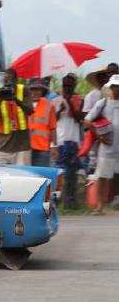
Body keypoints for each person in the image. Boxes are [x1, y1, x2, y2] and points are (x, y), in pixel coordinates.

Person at [83, 74, 119, 214]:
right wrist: (99, 136)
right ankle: (100, 206)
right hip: (107, 146)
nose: (117, 89)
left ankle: (112, 203)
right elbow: (87, 120)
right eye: (114, 87)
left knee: (115, 177)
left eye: (118, 87)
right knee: (103, 177)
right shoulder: (102, 103)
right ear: (110, 88)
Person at [0, 69, 34, 165]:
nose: (8, 82)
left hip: (22, 145)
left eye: (10, 79)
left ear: (16, 79)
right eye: (5, 80)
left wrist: (16, 99)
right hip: (2, 144)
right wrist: (1, 100)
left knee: (22, 176)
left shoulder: (24, 90)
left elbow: (30, 111)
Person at [53, 73, 83, 208]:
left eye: (69, 85)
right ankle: (59, 200)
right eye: (64, 85)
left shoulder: (79, 99)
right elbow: (52, 120)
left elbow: (78, 119)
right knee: (60, 171)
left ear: (74, 86)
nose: (66, 88)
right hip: (60, 140)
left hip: (74, 140)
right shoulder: (56, 100)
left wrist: (69, 101)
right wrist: (59, 111)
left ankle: (71, 200)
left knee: (72, 171)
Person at [27, 79, 58, 167]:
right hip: (25, 148)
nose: (35, 92)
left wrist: (54, 146)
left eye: (38, 89)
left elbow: (53, 128)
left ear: (42, 91)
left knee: (40, 177)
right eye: (32, 89)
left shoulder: (49, 105)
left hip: (42, 148)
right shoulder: (23, 104)